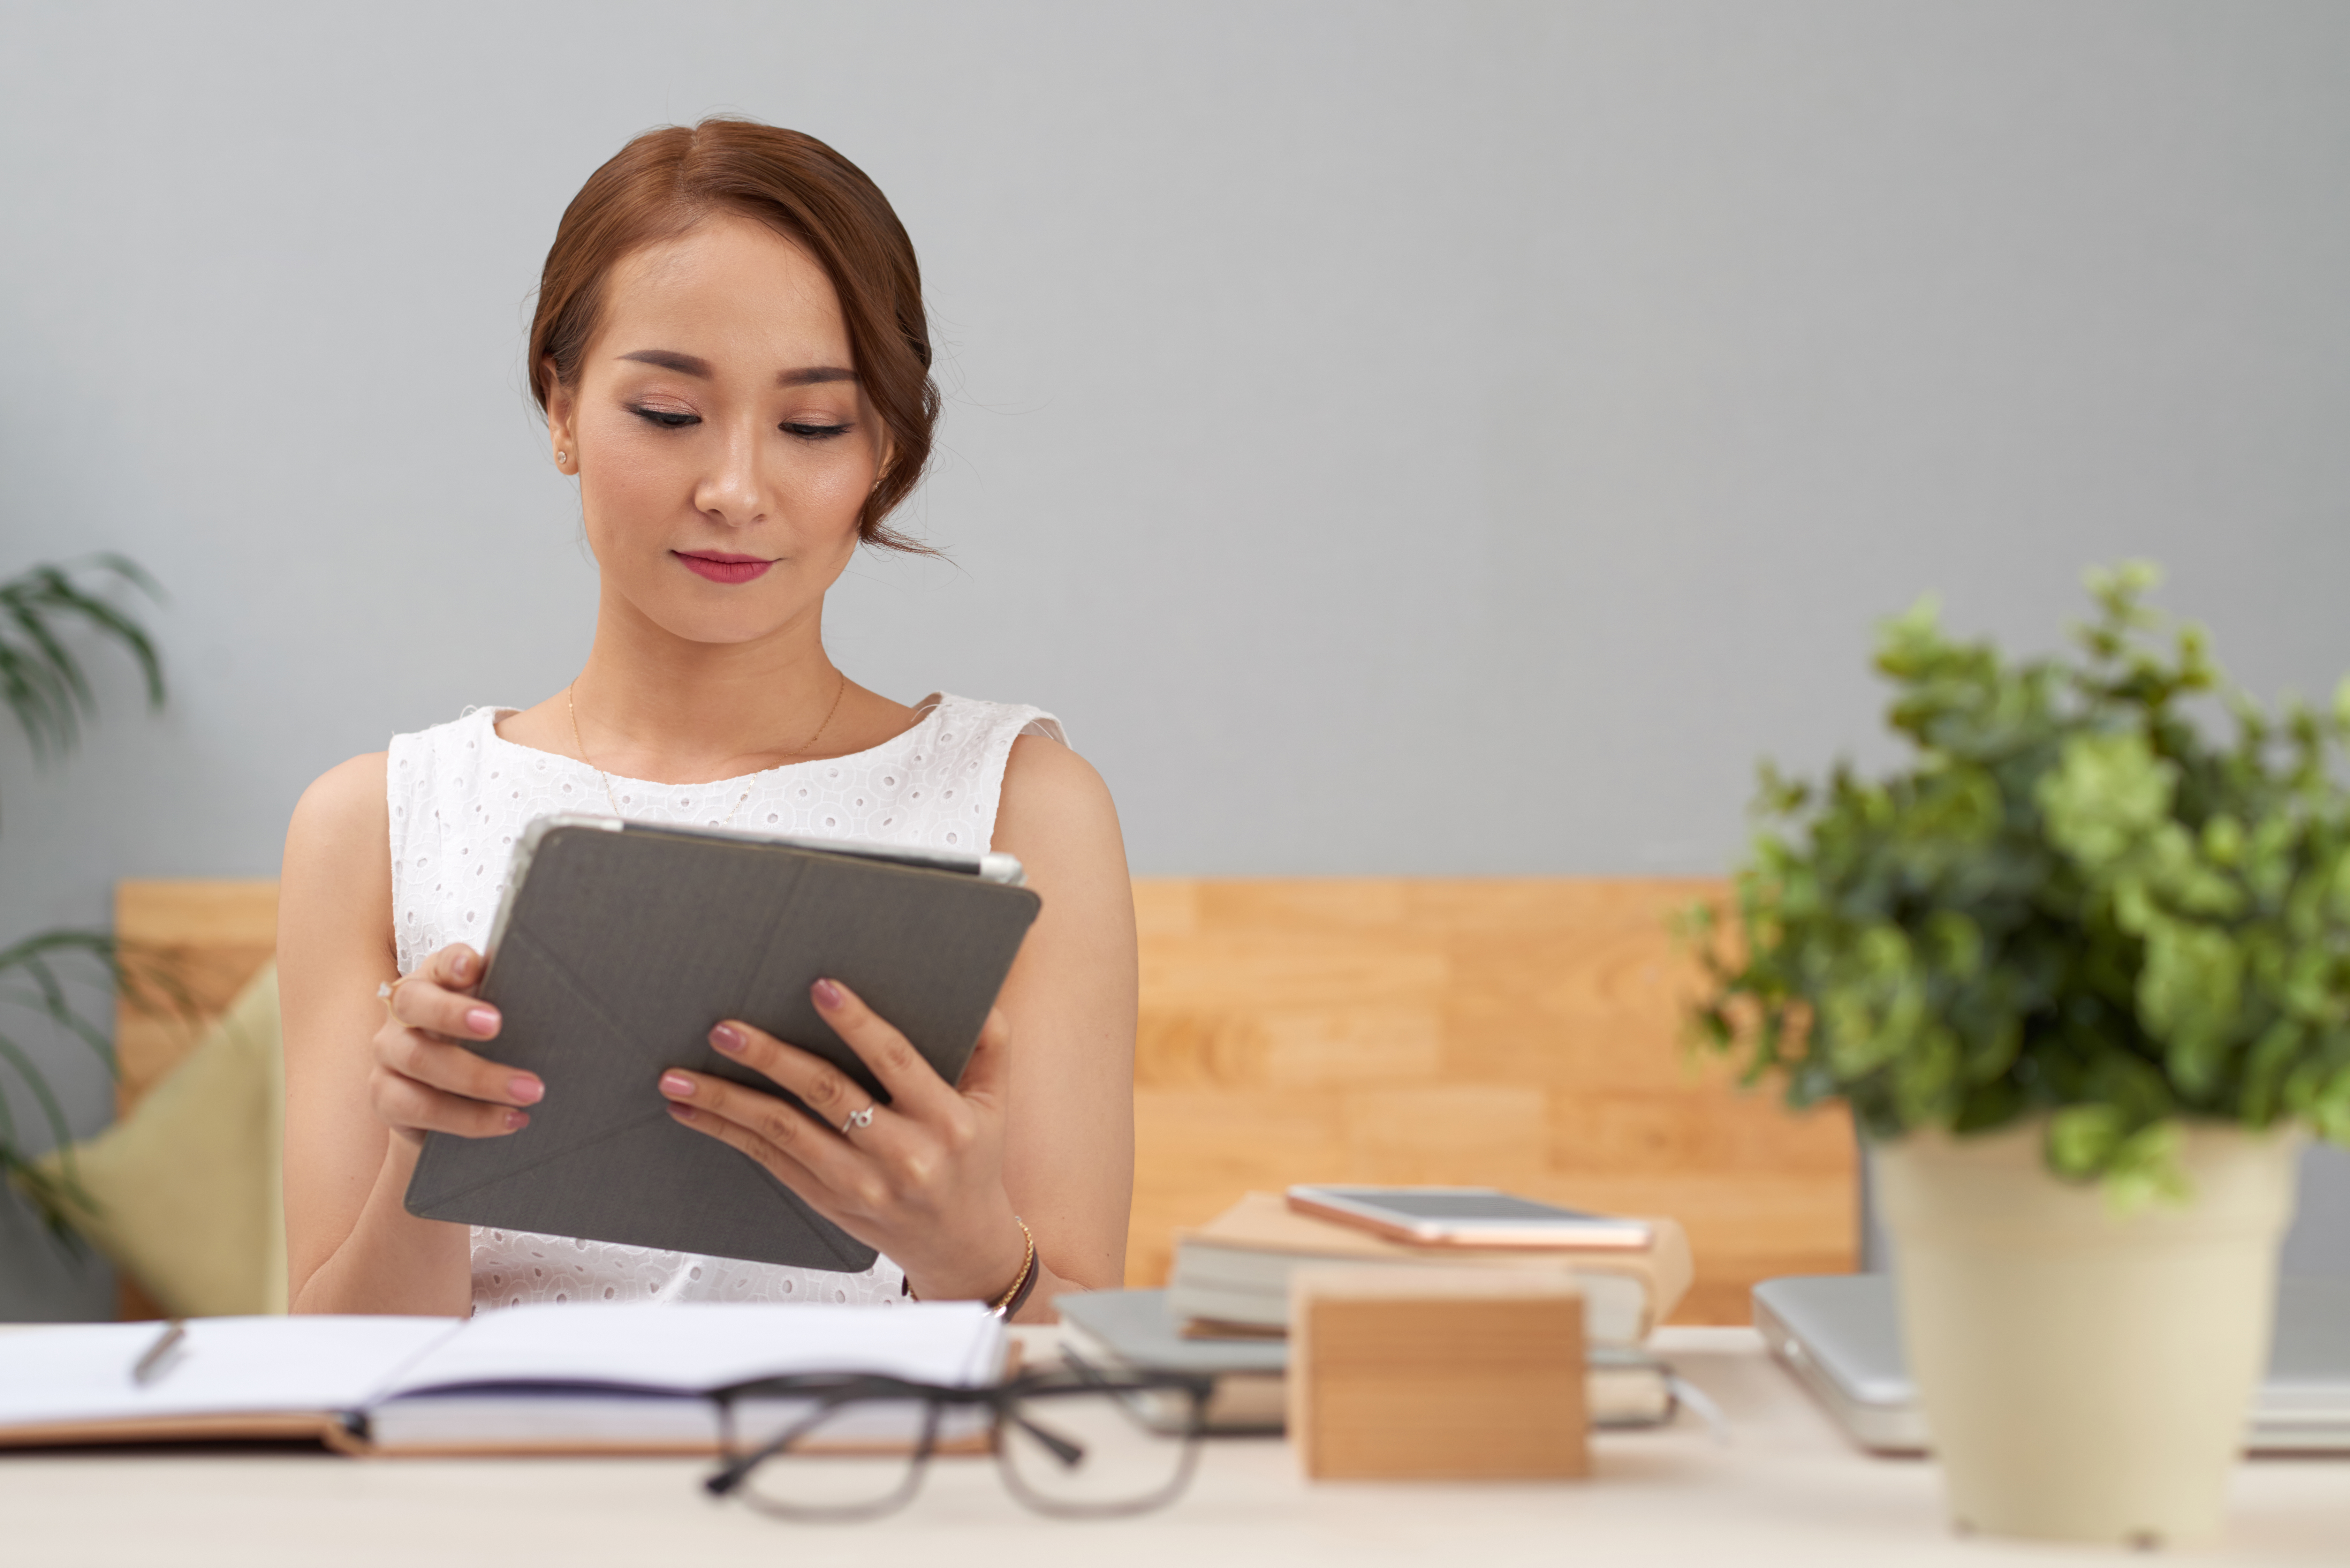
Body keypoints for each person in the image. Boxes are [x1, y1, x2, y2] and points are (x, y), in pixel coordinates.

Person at [277, 119, 1136, 1322]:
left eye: (814, 426)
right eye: (672, 414)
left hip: (864, 1494)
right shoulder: (372, 822)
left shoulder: (1025, 807)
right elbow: (322, 1373)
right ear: (561, 406)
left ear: (886, 447)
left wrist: (974, 1252)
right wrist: (431, 1150)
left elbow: (1085, 1378)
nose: (735, 489)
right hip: (489, 1495)